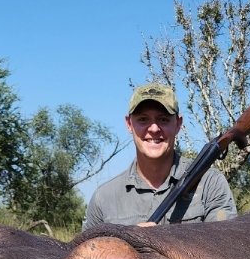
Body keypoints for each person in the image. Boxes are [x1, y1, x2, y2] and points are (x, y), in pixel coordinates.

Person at [84, 83, 236, 229]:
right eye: (143, 119)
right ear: (129, 124)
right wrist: (128, 242)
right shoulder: (103, 198)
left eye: (163, 119)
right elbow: (88, 254)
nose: (154, 128)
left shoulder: (210, 183)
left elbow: (223, 249)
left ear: (178, 124)